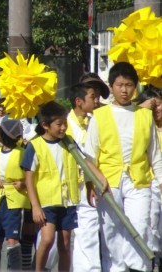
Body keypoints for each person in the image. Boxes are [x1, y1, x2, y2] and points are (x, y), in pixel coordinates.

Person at [84, 62, 162, 271]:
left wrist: (161, 181)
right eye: (119, 85)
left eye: (129, 85)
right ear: (111, 87)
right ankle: (116, 268)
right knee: (111, 230)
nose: (124, 90)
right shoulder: (100, 115)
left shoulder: (144, 115)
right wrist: (91, 182)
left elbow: (154, 154)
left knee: (140, 225)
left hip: (139, 180)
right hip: (108, 181)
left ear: (135, 86)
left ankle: (136, 267)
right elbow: (90, 155)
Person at [21, 101, 107, 272]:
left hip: (68, 201)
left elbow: (84, 163)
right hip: (47, 201)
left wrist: (98, 179)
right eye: (59, 124)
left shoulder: (68, 142)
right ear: (45, 125)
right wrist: (35, 206)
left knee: (66, 243)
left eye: (65, 123)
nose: (63, 128)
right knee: (47, 239)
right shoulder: (35, 145)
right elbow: (28, 178)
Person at [0, 119, 30, 271]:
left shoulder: (22, 153)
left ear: (3, 135)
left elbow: (32, 177)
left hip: (15, 200)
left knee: (12, 240)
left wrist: (23, 184)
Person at [66, 83, 101, 271]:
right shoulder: (65, 125)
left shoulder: (95, 120)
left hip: (94, 183)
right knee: (79, 234)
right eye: (93, 97)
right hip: (74, 185)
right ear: (79, 101)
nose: (97, 101)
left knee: (89, 232)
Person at [134, 86, 162, 264]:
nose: (156, 110)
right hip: (148, 182)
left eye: (158, 105)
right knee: (150, 222)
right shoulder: (142, 128)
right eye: (152, 106)